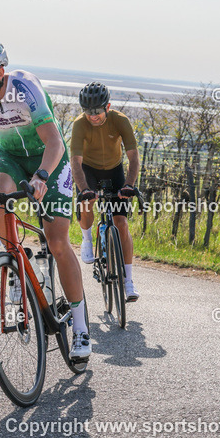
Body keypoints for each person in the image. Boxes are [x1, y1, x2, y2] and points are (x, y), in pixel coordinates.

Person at [0, 38, 90, 360]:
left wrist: (41, 176)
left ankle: (80, 325)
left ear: (0, 71)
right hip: (10, 156)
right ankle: (13, 260)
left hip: (48, 159)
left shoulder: (24, 87)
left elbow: (54, 142)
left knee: (57, 242)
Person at [71, 81, 142, 300]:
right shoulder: (79, 124)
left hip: (114, 170)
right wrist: (84, 190)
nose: (93, 116)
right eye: (88, 112)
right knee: (87, 203)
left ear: (107, 107)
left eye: (97, 111)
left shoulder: (121, 121)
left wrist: (129, 185)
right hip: (88, 169)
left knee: (121, 223)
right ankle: (86, 239)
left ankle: (128, 281)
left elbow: (133, 157)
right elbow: (75, 161)